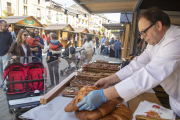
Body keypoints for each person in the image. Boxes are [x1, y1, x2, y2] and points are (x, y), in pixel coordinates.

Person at [76, 8, 180, 118]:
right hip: (175, 101)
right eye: (141, 33)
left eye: (144, 32)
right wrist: (109, 80)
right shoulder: (155, 42)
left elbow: (150, 74)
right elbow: (136, 65)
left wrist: (104, 95)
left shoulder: (176, 41)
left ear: (158, 26)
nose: (142, 37)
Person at [0, 20, 13, 88]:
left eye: (6, 26)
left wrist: (9, 53)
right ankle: (1, 83)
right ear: (0, 25)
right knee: (0, 71)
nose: (6, 27)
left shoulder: (8, 34)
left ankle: (5, 84)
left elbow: (11, 44)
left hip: (5, 55)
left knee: (5, 70)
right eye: (5, 26)